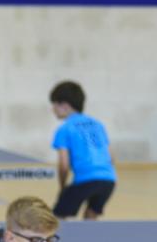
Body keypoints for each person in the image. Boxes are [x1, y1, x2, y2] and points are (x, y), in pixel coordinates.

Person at [49, 80, 116, 219]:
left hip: (85, 180)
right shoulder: (98, 125)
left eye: (54, 104)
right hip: (109, 180)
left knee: (56, 219)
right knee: (90, 217)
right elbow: (111, 157)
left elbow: (63, 165)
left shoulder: (65, 129)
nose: (52, 109)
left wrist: (63, 187)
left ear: (64, 105)